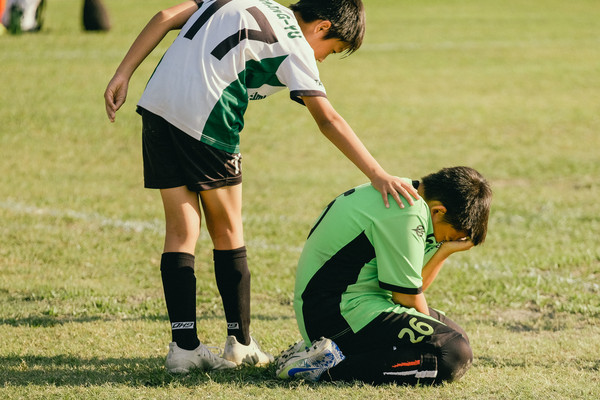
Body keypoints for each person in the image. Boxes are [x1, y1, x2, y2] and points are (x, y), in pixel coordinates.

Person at [104, 0, 419, 373]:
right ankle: (240, 343)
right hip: (208, 116)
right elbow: (328, 119)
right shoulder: (296, 43)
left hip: (157, 104)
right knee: (228, 229)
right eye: (330, 51)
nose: (320, 61)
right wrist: (378, 173)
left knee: (181, 229)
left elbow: (164, 17)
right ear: (321, 26)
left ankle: (184, 347)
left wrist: (123, 73)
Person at [276, 166, 492, 385]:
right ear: (439, 211)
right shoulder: (407, 211)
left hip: (353, 306)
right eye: (448, 237)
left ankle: (325, 352)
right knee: (454, 354)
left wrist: (445, 250)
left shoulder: (413, 198)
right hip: (333, 315)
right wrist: (432, 338)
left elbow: (415, 286)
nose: (441, 242)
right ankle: (322, 370)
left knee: (458, 338)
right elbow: (406, 297)